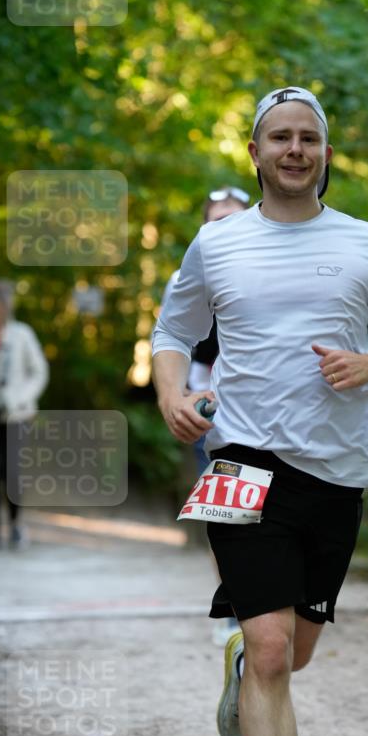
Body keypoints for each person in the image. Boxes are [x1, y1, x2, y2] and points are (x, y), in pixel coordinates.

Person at [152, 87, 368, 736]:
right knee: (274, 653)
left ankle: (241, 660)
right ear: (254, 150)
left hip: (338, 474)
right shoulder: (218, 242)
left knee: (293, 653)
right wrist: (173, 393)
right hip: (241, 461)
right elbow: (172, 331)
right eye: (281, 137)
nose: (295, 149)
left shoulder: (367, 244)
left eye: (309, 137)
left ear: (327, 153)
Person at [161, 185, 250, 647]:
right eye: (216, 221)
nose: (224, 229)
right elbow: (169, 342)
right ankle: (235, 609)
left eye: (234, 219)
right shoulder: (183, 280)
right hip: (208, 406)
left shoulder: (267, 268)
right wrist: (178, 399)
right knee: (226, 513)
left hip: (262, 406)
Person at [0, 280, 49, 549]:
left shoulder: (22, 335)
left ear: (6, 306)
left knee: (12, 472)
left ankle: (16, 524)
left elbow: (39, 372)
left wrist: (18, 398)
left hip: (17, 415)